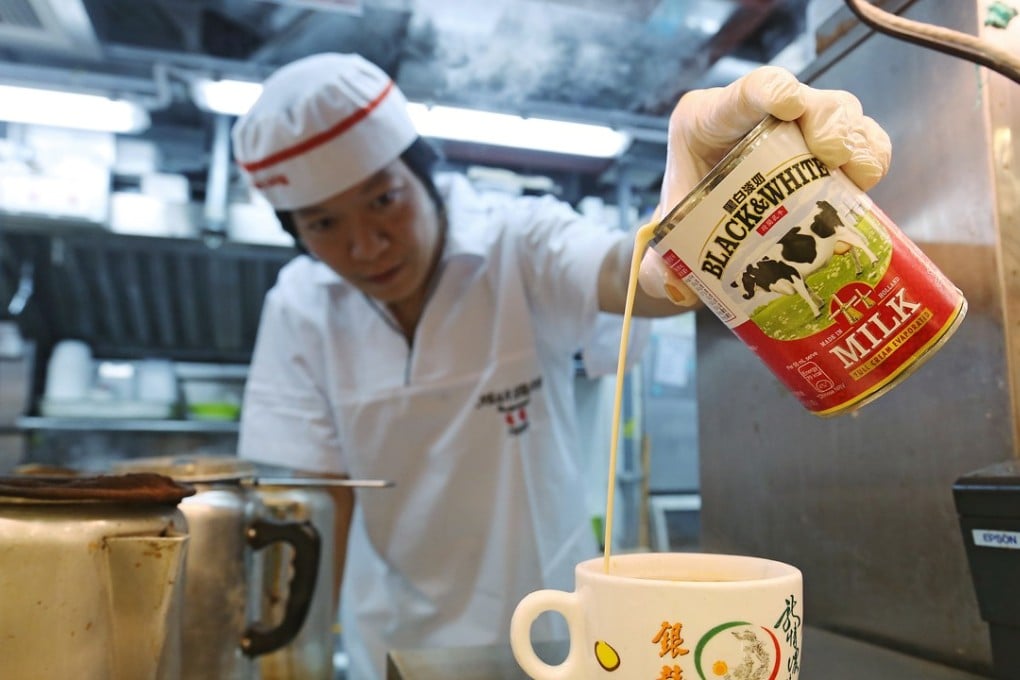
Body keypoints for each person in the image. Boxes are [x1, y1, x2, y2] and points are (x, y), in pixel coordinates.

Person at [232, 52, 891, 678]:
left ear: (422, 170)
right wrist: (295, 656)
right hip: (396, 639)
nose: (365, 244)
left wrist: (711, 214)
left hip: (555, 627)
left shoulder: (517, 240)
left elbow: (627, 274)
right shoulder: (301, 308)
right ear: (296, 232)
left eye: (383, 201)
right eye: (323, 225)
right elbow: (318, 508)